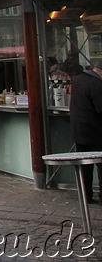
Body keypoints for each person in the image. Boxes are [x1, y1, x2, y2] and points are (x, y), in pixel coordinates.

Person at [69, 60, 102, 203]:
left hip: (79, 129)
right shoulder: (96, 84)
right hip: (95, 130)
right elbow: (100, 108)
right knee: (101, 163)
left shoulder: (78, 80)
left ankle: (85, 195)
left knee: (85, 165)